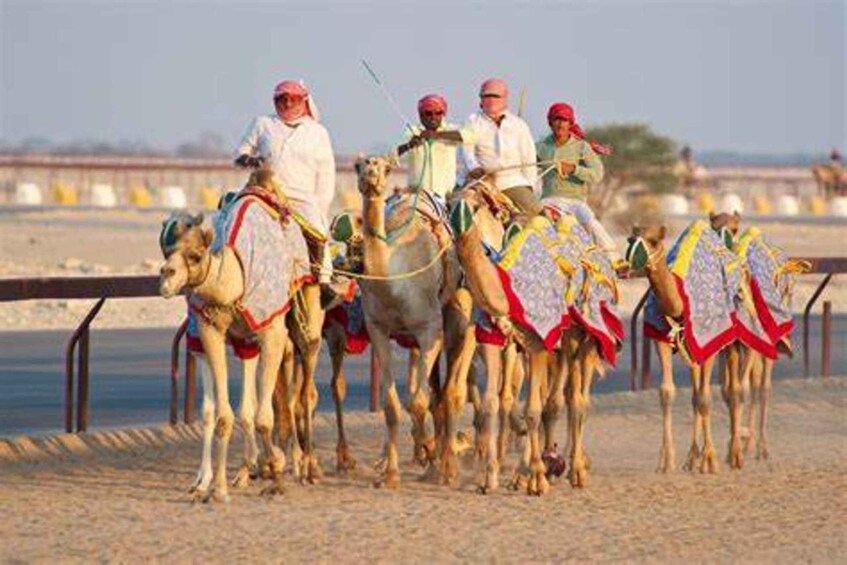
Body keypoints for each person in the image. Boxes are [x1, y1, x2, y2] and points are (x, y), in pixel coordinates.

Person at [234, 80, 336, 301]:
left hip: (302, 196)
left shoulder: (317, 132)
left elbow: (326, 174)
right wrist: (249, 159)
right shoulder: (262, 124)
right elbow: (241, 151)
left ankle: (324, 282)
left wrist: (320, 205)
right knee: (234, 217)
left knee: (318, 230)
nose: (287, 103)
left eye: (292, 99)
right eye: (282, 99)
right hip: (264, 191)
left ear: (303, 101)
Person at [536, 102, 621, 263]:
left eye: (565, 120)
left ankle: (615, 260)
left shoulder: (582, 148)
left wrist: (574, 169)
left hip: (575, 201)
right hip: (549, 200)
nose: (560, 124)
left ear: (570, 123)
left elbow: (597, 175)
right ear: (550, 122)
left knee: (590, 222)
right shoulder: (540, 147)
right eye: (557, 119)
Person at [459, 78, 540, 216]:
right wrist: (474, 168)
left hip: (512, 181)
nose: (490, 100)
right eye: (486, 96)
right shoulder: (472, 122)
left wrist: (529, 186)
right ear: (480, 99)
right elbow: (466, 151)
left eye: (495, 96)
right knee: (457, 211)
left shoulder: (518, 125)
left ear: (504, 99)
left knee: (536, 213)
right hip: (482, 182)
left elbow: (529, 160)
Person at [395, 94, 472, 201]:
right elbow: (393, 153)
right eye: (428, 113)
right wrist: (409, 145)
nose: (433, 117)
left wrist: (436, 135)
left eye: (438, 113)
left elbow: (470, 136)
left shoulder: (451, 129)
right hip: (417, 197)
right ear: (421, 115)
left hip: (447, 196)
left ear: (443, 114)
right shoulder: (411, 131)